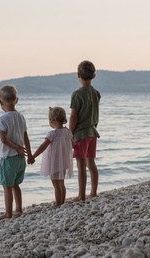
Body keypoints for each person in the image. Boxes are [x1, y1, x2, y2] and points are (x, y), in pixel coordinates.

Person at [0, 84, 33, 219]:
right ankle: (18, 209)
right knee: (16, 185)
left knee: (7, 186)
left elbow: (4, 140)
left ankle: (8, 213)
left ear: (0, 102)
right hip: (20, 158)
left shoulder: (3, 119)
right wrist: (29, 155)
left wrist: (16, 147)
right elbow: (26, 137)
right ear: (16, 100)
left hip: (8, 157)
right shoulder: (20, 117)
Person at [69, 60, 101, 202]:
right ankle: (93, 192)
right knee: (91, 163)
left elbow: (73, 116)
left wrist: (69, 134)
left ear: (78, 75)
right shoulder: (96, 93)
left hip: (81, 134)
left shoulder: (77, 94)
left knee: (81, 165)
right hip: (92, 132)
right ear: (94, 75)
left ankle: (81, 196)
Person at [30, 106, 74, 206]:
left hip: (54, 163)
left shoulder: (52, 133)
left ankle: (58, 204)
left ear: (51, 120)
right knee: (61, 183)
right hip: (64, 162)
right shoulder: (68, 132)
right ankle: (62, 201)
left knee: (56, 185)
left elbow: (43, 146)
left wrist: (33, 156)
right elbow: (72, 145)